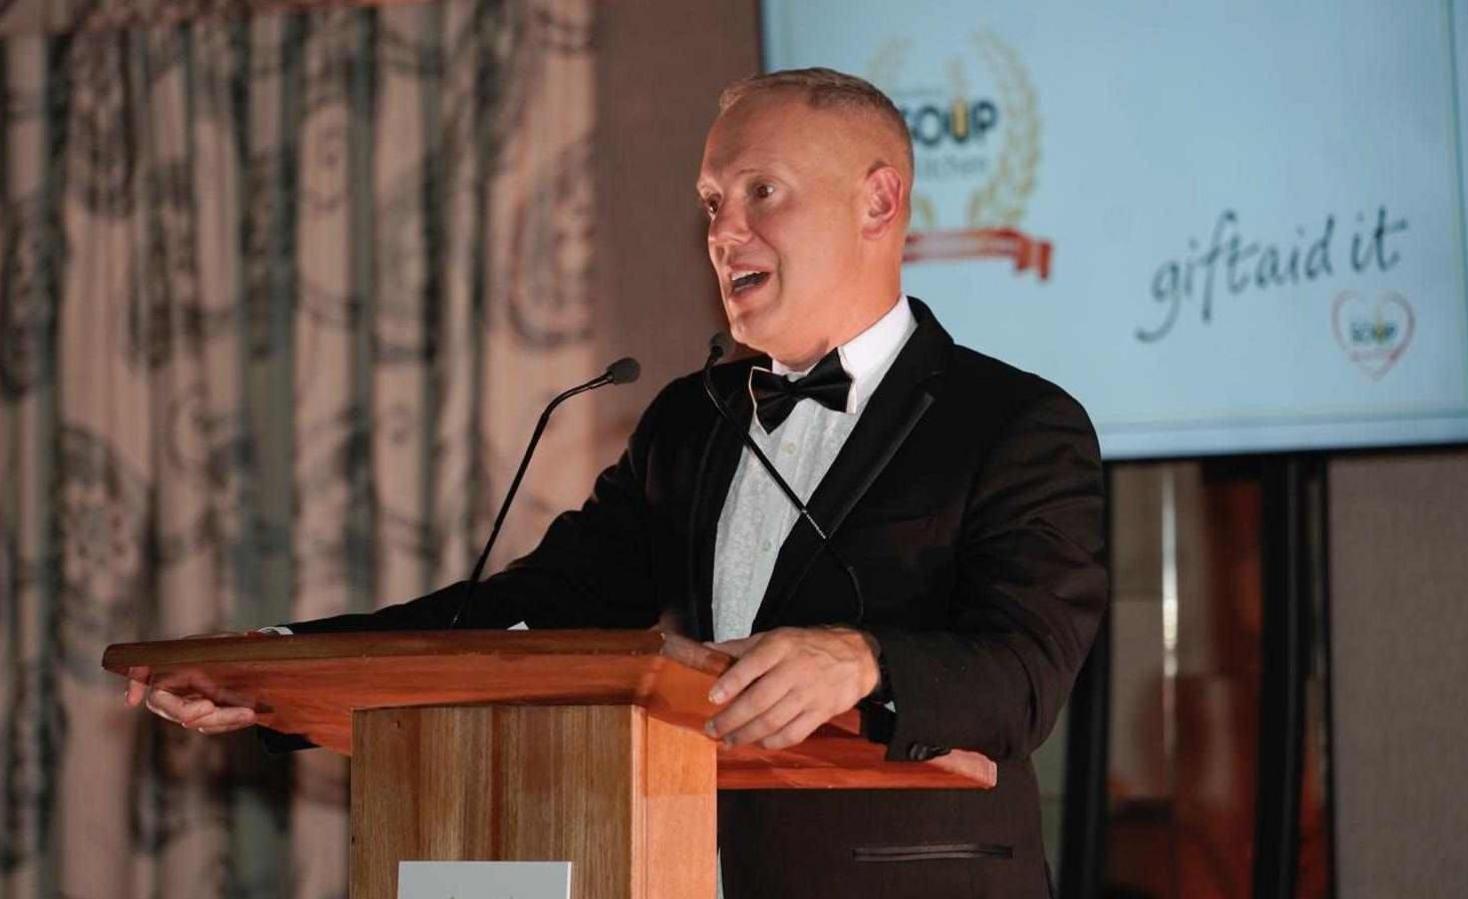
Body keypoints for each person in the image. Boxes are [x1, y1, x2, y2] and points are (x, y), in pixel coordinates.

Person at [129, 68, 1107, 898]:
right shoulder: (692, 417)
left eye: (761, 191)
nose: (724, 230)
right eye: (713, 202)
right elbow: (531, 611)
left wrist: (864, 661)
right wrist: (283, 672)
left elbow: (1023, 668)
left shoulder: (1016, 423)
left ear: (878, 201)